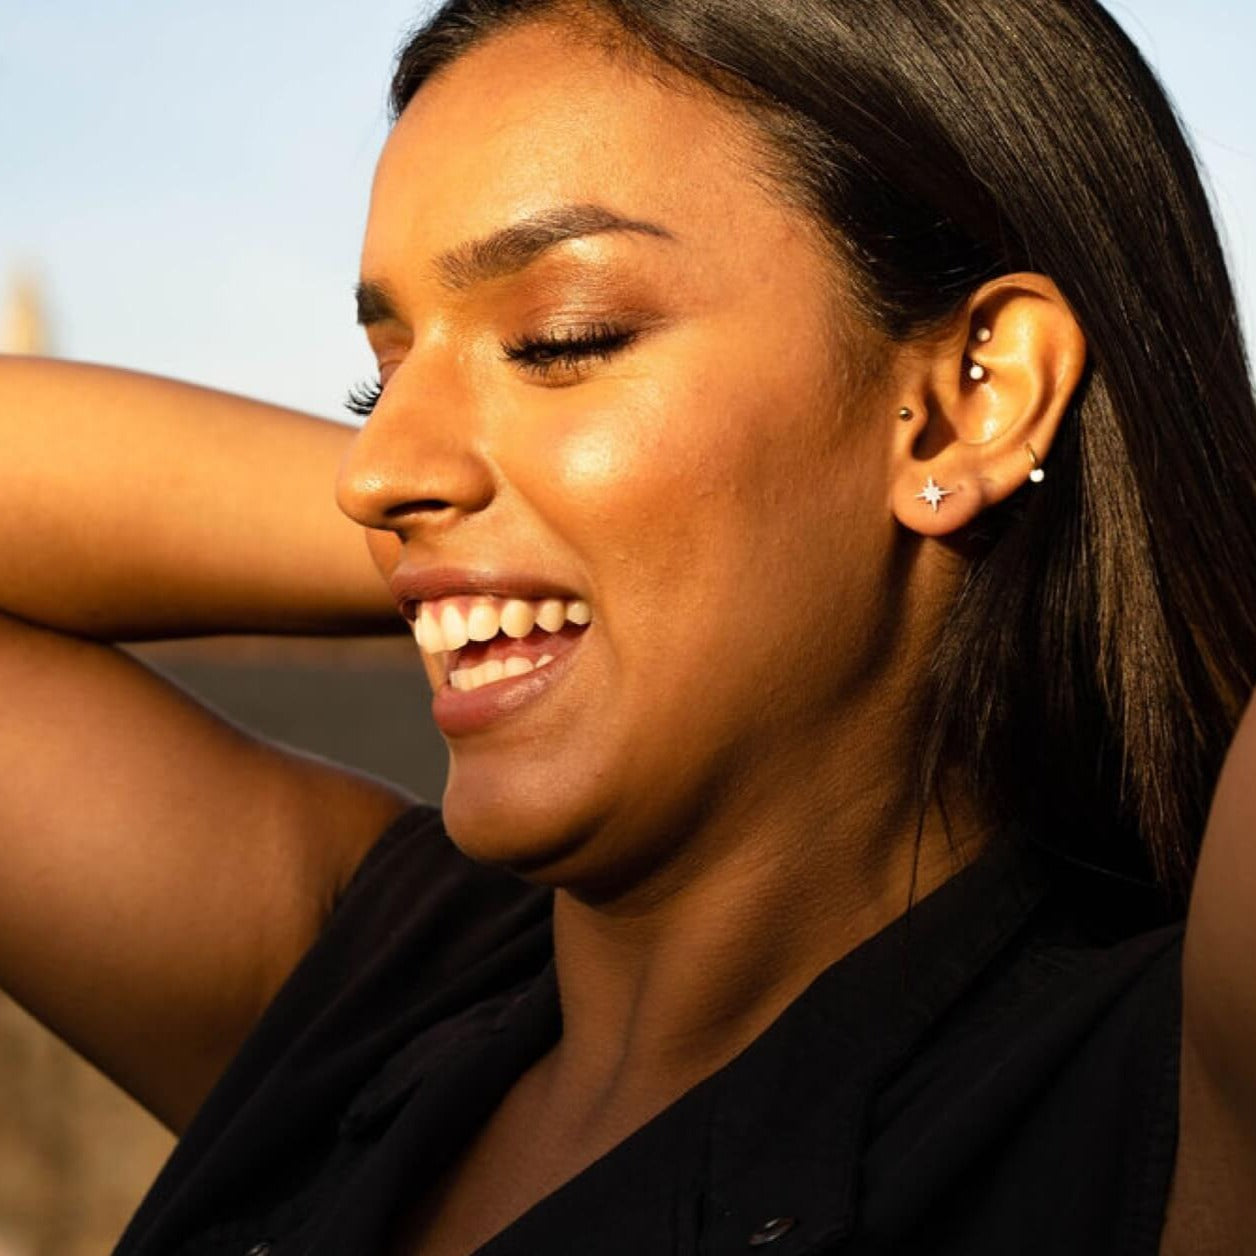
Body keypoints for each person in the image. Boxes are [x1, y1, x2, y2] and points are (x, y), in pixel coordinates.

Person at [2, 0, 1254, 1252]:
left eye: (562, 340)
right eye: (380, 378)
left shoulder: (1175, 1101)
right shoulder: (367, 991)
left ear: (965, 396)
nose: (371, 470)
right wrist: (488, 541)